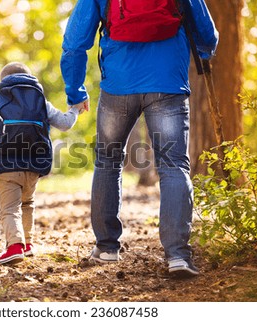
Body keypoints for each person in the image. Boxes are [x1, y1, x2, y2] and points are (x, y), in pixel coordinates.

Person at [61, 0, 218, 277]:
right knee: (173, 166)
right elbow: (207, 34)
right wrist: (204, 52)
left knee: (108, 162)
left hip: (118, 86)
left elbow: (74, 42)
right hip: (168, 83)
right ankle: (177, 255)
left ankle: (107, 247)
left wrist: (75, 91)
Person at [0, 62, 82, 265]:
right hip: (33, 165)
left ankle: (14, 247)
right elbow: (64, 123)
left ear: (3, 81)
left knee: (10, 208)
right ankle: (27, 244)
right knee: (27, 203)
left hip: (5, 164)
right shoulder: (40, 101)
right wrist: (75, 109)